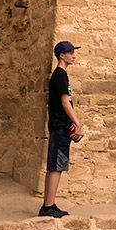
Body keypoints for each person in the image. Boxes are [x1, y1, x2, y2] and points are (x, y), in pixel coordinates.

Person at [38, 40, 82, 218]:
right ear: (61, 56)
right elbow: (65, 102)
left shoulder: (59, 75)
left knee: (53, 167)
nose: (74, 55)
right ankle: (49, 207)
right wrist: (77, 123)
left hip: (57, 126)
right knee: (57, 167)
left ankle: (47, 205)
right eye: (70, 53)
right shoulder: (60, 75)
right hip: (61, 126)